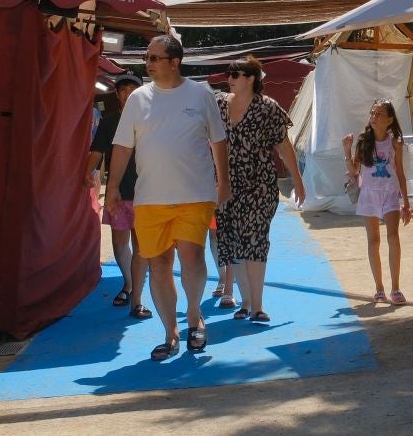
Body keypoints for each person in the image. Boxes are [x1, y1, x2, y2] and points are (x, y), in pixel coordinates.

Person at [110, 33, 230, 360]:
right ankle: (170, 332)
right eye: (147, 57)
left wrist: (224, 183)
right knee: (159, 264)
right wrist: (113, 188)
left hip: (195, 192)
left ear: (174, 62)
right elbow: (122, 146)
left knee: (191, 255)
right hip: (150, 197)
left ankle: (194, 315)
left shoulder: (201, 95)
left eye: (154, 58)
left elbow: (218, 141)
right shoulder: (137, 99)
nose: (147, 63)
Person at [216, 56, 305, 325]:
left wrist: (298, 182)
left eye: (236, 73)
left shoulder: (268, 108)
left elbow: (284, 146)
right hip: (226, 185)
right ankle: (244, 302)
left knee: (255, 241)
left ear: (251, 78)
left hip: (259, 185)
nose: (230, 77)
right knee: (235, 243)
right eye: (229, 72)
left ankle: (257, 305)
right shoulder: (218, 104)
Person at [90, 73, 151, 320]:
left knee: (141, 245)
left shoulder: (151, 120)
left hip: (146, 192)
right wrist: (85, 174)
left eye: (132, 88)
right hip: (118, 192)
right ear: (117, 94)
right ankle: (128, 283)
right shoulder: (109, 120)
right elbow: (96, 151)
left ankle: (136, 293)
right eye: (123, 89)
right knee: (119, 242)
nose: (127, 93)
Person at [347, 100, 412, 304]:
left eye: (379, 114)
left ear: (390, 120)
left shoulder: (395, 143)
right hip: (368, 194)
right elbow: (354, 171)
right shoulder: (364, 141)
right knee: (373, 241)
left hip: (390, 193)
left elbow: (400, 172)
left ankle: (396, 287)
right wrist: (346, 150)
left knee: (393, 237)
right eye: (373, 113)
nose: (374, 117)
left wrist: (407, 202)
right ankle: (379, 287)